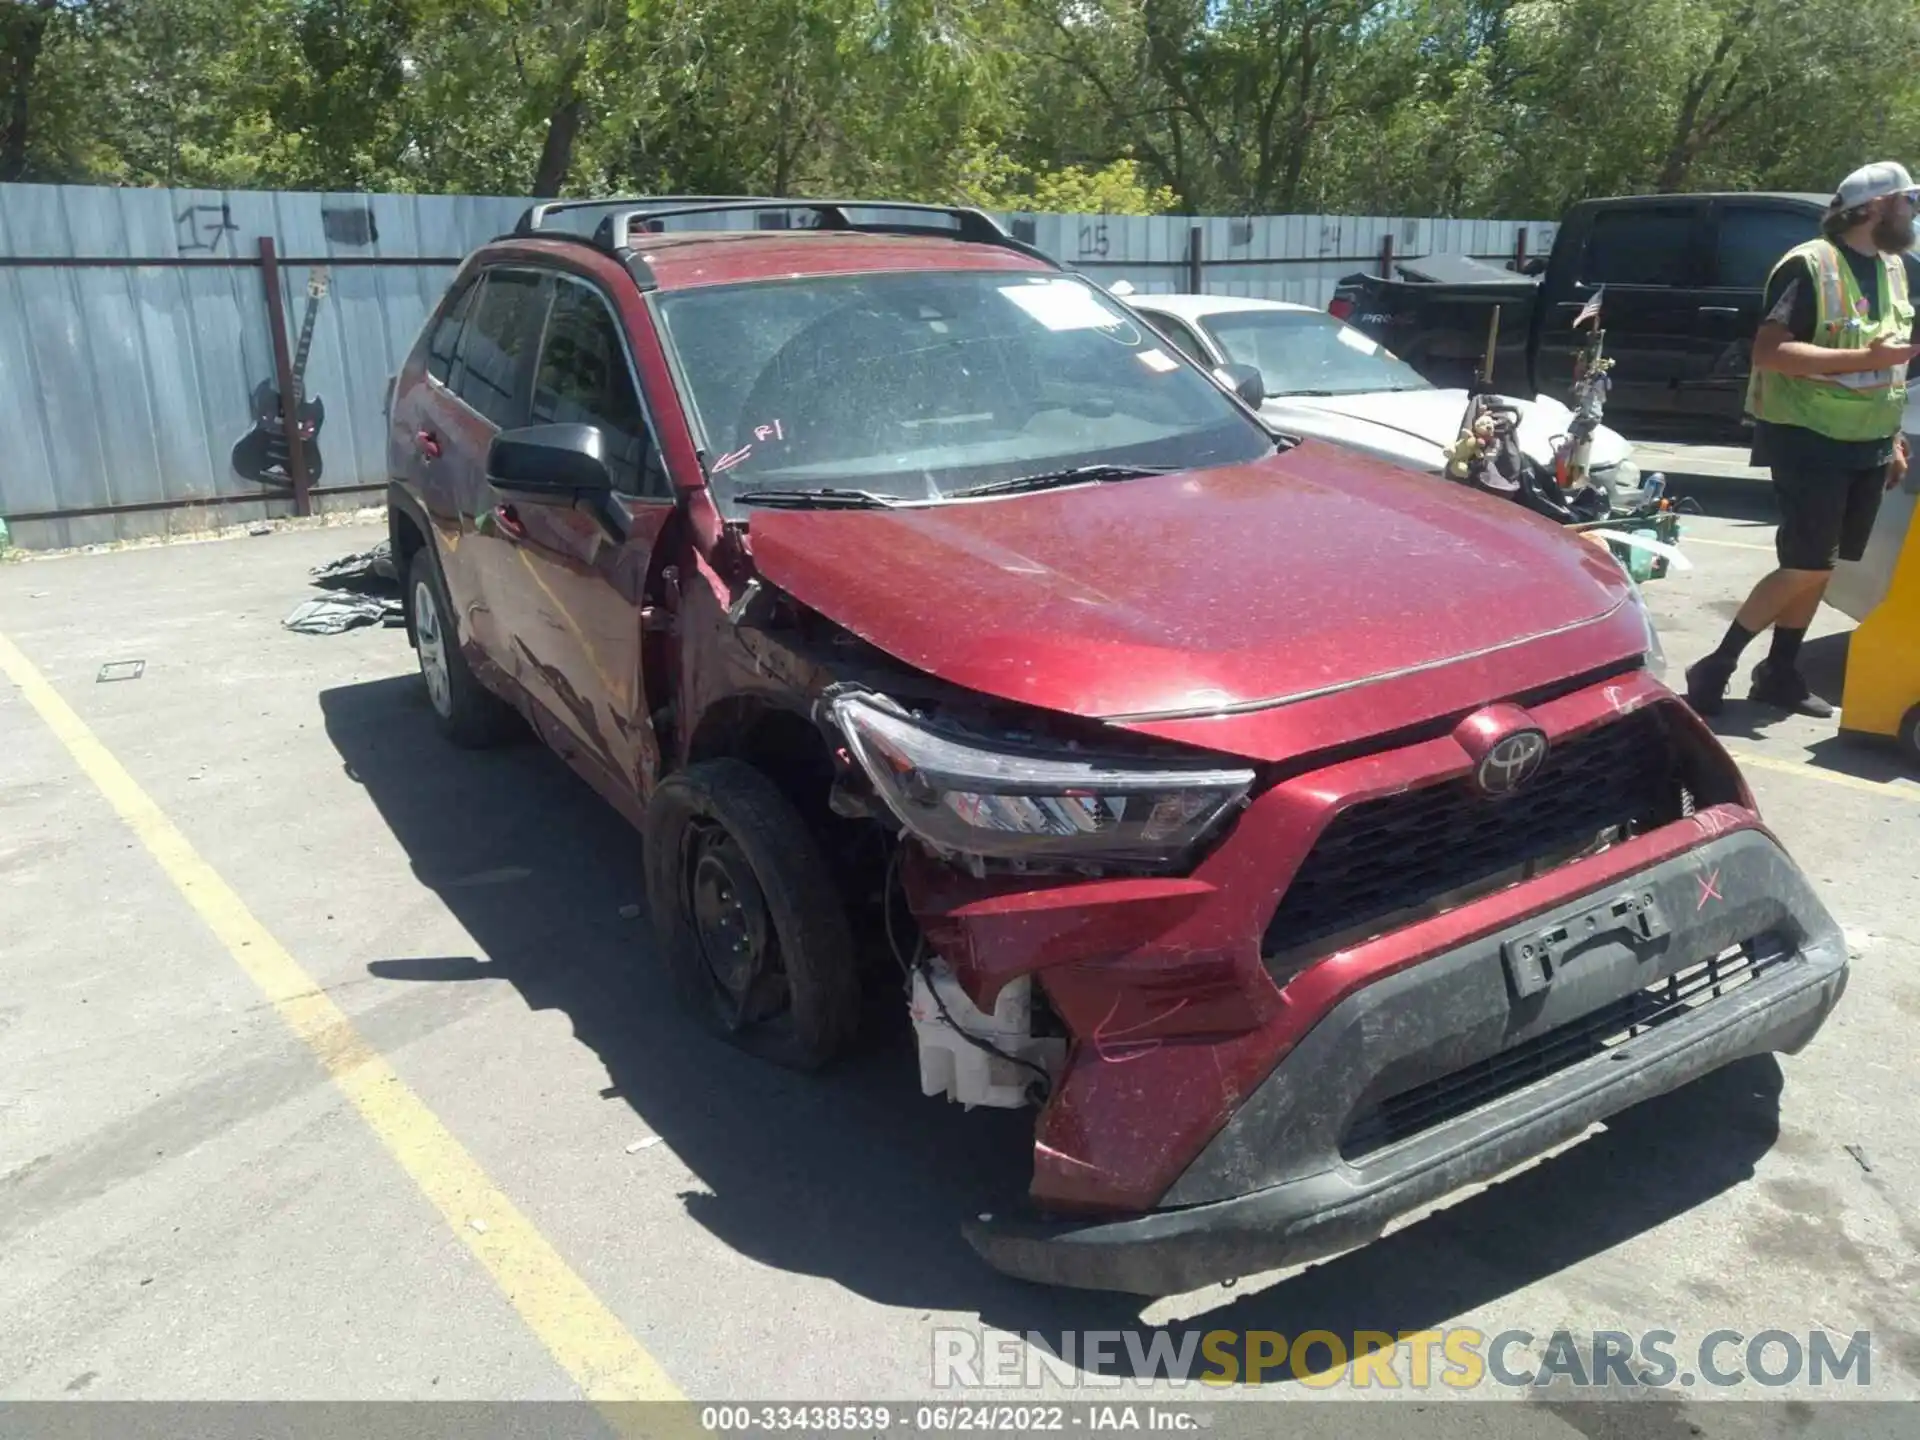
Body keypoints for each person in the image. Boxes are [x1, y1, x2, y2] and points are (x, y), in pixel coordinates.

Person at [1683, 161, 1920, 718]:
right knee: (1806, 562)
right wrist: (1865, 358)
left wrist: (1893, 438)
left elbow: (1891, 366)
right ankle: (1717, 663)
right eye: (1908, 200)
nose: (1913, 212)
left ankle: (1780, 673)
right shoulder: (1810, 265)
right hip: (1807, 435)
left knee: (1823, 564)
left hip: (1867, 439)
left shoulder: (1892, 268)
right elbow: (1770, 352)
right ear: (1876, 206)